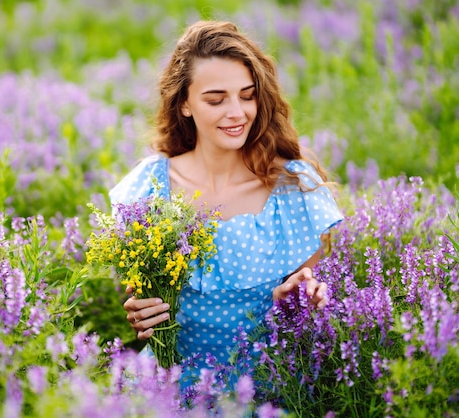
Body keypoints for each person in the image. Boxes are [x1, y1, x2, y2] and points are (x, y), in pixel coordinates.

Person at [108, 20, 343, 386]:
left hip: (266, 389)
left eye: (247, 95)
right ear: (184, 104)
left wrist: (296, 296)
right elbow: (140, 295)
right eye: (216, 100)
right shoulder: (150, 189)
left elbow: (301, 286)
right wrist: (141, 312)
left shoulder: (293, 189)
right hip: (169, 388)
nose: (237, 112)